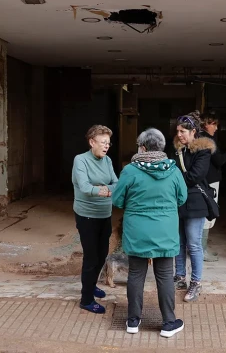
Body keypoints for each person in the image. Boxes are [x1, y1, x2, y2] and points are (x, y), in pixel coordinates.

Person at [112, 128, 187, 338]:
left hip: (138, 230)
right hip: (166, 229)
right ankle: (168, 323)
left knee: (136, 274)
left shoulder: (130, 171)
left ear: (142, 147)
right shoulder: (173, 171)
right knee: (164, 276)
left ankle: (133, 322)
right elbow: (182, 198)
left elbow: (117, 200)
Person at [71, 125, 118, 313]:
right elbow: (84, 186)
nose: (106, 146)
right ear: (92, 142)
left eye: (108, 143)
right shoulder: (80, 160)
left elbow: (116, 182)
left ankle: (90, 284)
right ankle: (86, 298)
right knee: (91, 257)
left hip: (105, 214)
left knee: (102, 254)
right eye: (103, 142)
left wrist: (103, 189)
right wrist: (103, 190)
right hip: (86, 215)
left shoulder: (107, 160)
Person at [173, 111, 216, 302]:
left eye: (183, 131)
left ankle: (196, 282)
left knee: (194, 244)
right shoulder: (178, 150)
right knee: (179, 242)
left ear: (193, 132)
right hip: (179, 202)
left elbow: (194, 177)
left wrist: (173, 180)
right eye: (178, 131)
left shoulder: (203, 151)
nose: (180, 135)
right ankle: (180, 277)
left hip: (196, 203)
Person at [200, 111, 226, 262]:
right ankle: (202, 251)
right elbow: (219, 161)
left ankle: (202, 248)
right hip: (210, 181)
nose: (216, 127)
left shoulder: (199, 137)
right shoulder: (208, 140)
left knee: (204, 213)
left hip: (204, 180)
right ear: (205, 124)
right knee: (208, 214)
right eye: (213, 124)